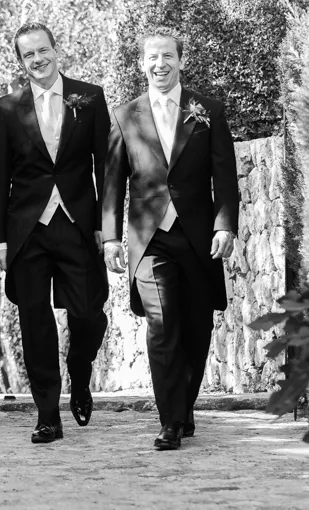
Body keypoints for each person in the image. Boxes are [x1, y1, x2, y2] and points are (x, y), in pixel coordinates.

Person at [102, 27, 239, 451]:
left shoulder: (208, 111)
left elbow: (225, 177)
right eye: (151, 58)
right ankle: (170, 423)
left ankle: (184, 405)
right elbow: (112, 184)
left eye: (167, 56)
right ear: (142, 64)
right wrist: (110, 239)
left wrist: (225, 225)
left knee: (197, 330)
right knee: (162, 328)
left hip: (198, 238)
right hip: (149, 242)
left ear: (180, 60)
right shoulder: (125, 116)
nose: (159, 64)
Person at [0, 22, 110, 444]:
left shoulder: (89, 98)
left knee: (89, 314)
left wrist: (103, 226)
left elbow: (105, 168)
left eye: (43, 51)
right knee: (34, 321)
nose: (37, 60)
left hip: (77, 225)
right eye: (28, 55)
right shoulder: (7, 108)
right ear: (20, 61)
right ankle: (46, 414)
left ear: (57, 51)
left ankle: (80, 373)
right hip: (27, 232)